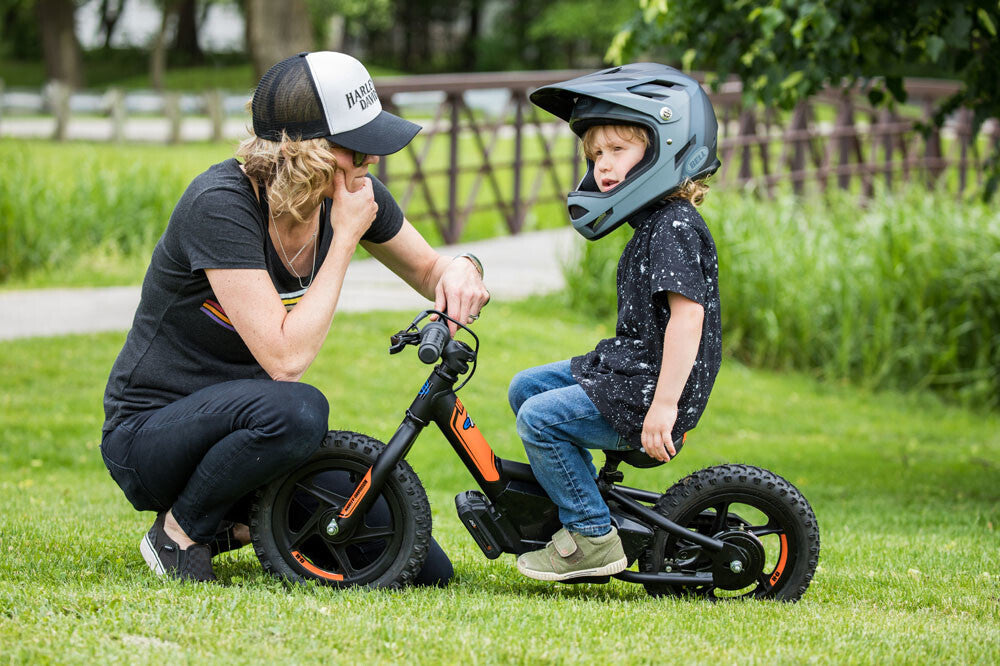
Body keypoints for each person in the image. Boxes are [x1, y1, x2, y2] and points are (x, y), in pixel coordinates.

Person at [100, 51, 489, 584]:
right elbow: (286, 361)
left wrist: (464, 268)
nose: (373, 160)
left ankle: (232, 526)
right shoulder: (219, 205)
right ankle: (179, 532)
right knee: (300, 410)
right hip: (152, 436)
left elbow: (430, 269)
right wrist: (347, 238)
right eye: (360, 146)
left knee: (416, 562)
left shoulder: (353, 194)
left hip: (253, 440)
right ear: (311, 152)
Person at [509, 64, 723, 581]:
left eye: (617, 152)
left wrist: (664, 408)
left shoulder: (673, 226)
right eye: (596, 154)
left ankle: (591, 535)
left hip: (650, 386)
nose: (602, 166)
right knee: (526, 388)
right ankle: (576, 503)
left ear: (663, 148)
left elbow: (687, 320)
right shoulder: (651, 222)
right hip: (632, 370)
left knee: (539, 418)